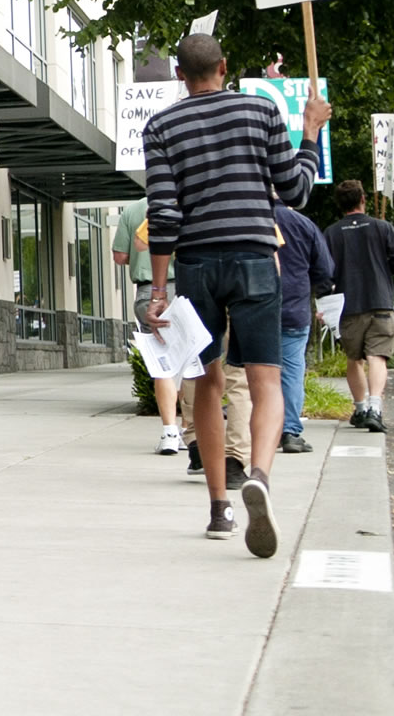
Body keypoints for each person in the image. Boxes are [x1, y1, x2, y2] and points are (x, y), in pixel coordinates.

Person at [143, 33, 330, 558]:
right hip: (254, 257)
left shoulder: (161, 126)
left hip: (197, 265)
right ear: (225, 66)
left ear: (179, 75)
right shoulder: (261, 110)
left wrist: (159, 291)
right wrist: (310, 132)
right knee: (265, 379)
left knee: (206, 379)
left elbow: (164, 215)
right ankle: (261, 478)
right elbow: (294, 191)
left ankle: (219, 509)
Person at [323, 179, 394, 433]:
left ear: (340, 204)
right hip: (380, 301)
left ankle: (360, 408)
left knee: (354, 358)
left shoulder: (331, 233)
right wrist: (387, 269)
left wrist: (324, 302)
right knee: (377, 356)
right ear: (362, 199)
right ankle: (376, 408)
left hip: (347, 305)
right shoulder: (382, 227)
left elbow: (324, 271)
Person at [113, 196, 181, 454]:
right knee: (190, 364)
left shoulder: (132, 211)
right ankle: (193, 431)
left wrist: (143, 259)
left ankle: (170, 432)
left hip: (148, 292)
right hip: (185, 288)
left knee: (162, 363)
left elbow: (120, 257)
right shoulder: (188, 201)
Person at [275, 198, 334, 452]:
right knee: (291, 371)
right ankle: (289, 431)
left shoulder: (248, 219)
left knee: (251, 374)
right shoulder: (304, 224)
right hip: (294, 308)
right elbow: (325, 269)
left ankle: (253, 429)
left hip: (252, 309)